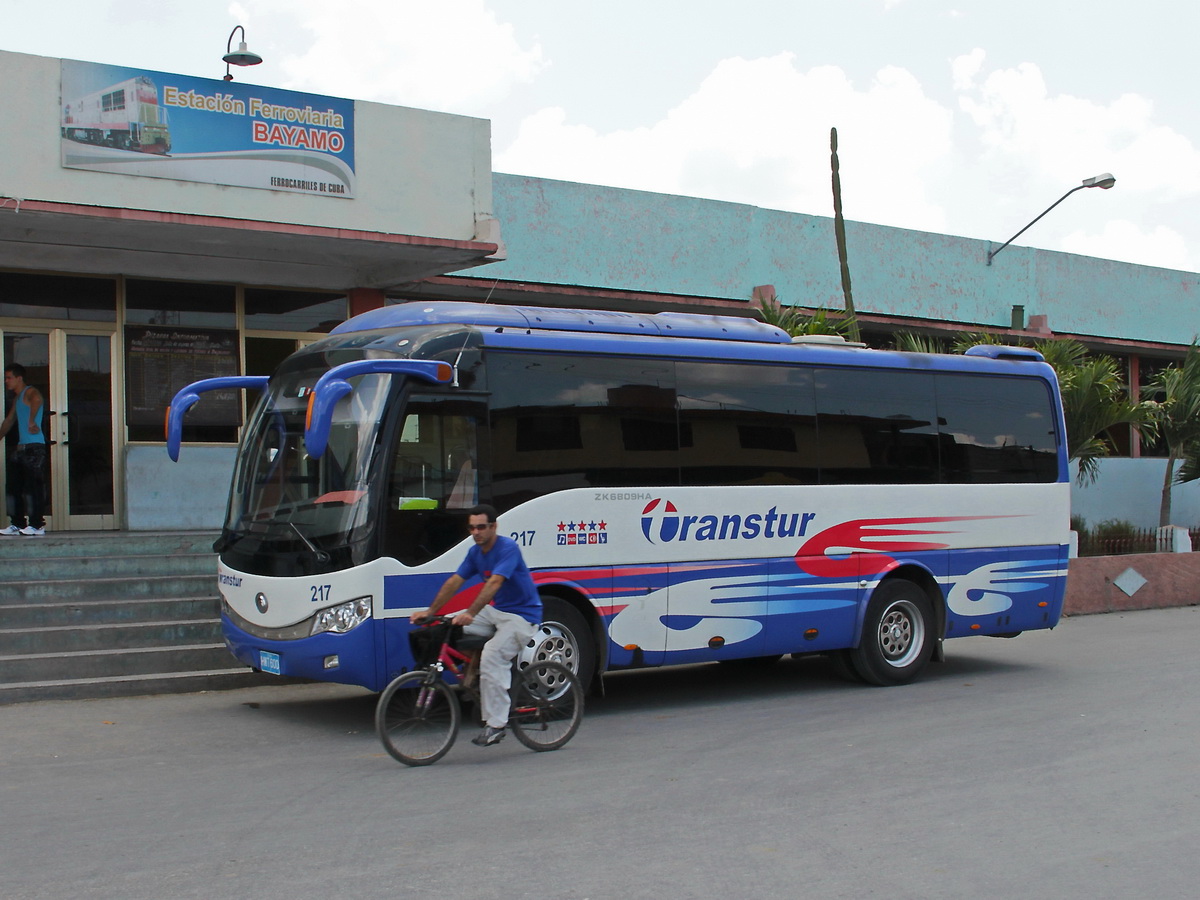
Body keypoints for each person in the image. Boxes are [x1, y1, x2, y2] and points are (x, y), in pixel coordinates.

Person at [411, 503, 542, 747]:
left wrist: (471, 613)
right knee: (446, 624)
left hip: (522, 617)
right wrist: (431, 612)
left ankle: (496, 726)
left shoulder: (508, 548)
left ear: (494, 526)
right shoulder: (475, 553)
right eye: (471, 528)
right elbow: (455, 581)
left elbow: (493, 584)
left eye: (481, 527)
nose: (476, 532)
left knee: (493, 656)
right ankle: (472, 672)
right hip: (498, 612)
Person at [1, 364, 47, 536]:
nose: (6, 381)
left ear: (18, 378)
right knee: (13, 487)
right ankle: (17, 523)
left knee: (33, 487)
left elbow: (38, 400)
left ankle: (37, 525)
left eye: (8, 378)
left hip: (34, 448)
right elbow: (9, 420)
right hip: (20, 449)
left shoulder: (30, 391)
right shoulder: (17, 398)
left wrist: (32, 420)